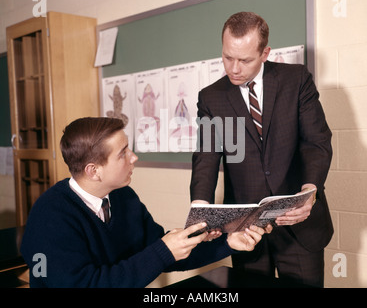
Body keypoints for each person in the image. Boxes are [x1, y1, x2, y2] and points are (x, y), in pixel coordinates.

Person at [20, 117, 268, 288]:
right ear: (94, 171)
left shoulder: (123, 197)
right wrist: (162, 251)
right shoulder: (50, 216)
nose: (134, 157)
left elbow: (164, 254)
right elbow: (86, 284)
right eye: (123, 153)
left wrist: (229, 242)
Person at [190, 12, 333, 287]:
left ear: (265, 53)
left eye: (244, 60)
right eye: (227, 57)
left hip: (298, 226)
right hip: (245, 228)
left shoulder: (297, 80)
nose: (233, 68)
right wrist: (200, 207)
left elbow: (317, 142)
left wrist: (309, 191)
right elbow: (206, 155)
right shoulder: (211, 97)